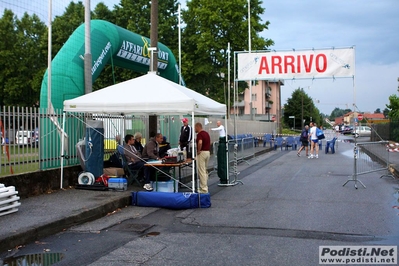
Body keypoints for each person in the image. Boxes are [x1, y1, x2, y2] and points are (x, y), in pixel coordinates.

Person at [195, 122, 211, 193]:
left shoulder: (199, 134)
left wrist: (198, 150)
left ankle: (203, 188)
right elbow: (210, 142)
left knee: (201, 171)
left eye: (195, 127)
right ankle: (205, 185)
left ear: (198, 127)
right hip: (207, 152)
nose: (195, 129)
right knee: (205, 170)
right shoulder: (206, 133)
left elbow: (200, 142)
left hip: (202, 152)